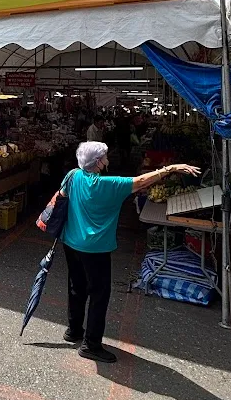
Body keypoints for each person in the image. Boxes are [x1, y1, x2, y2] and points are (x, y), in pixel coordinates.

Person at [59, 141, 199, 363]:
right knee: (99, 294)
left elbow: (62, 196)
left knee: (76, 286)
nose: (108, 160)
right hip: (95, 248)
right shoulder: (109, 185)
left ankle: (73, 330)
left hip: (70, 242)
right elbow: (141, 181)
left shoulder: (73, 176)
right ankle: (91, 345)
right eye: (105, 157)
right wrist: (171, 168)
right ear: (98, 162)